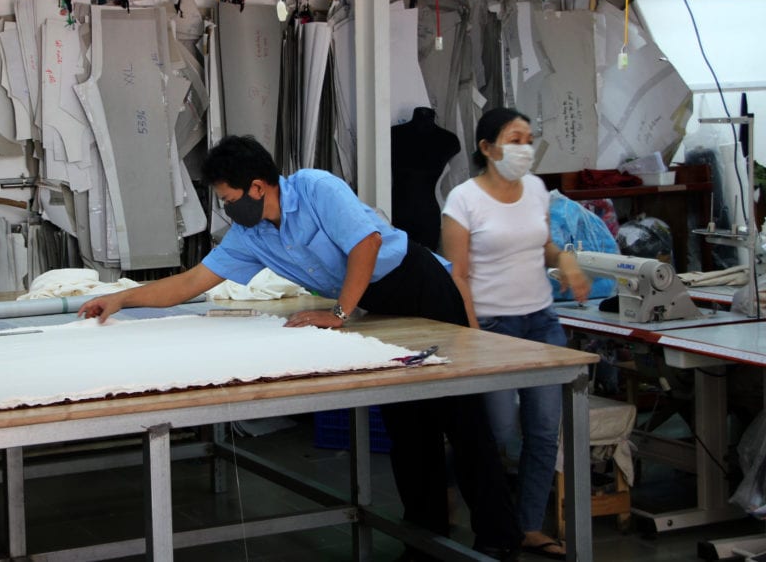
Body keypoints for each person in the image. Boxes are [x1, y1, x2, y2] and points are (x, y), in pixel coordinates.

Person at [79, 134, 522, 560]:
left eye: (231, 199)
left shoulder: (316, 187)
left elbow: (366, 244)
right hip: (375, 304)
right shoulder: (251, 236)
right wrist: (122, 297)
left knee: (461, 417)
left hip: (420, 287)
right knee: (406, 424)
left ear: (257, 186)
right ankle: (425, 540)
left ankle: (499, 537)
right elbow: (192, 282)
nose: (229, 209)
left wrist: (340, 315)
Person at [441, 108, 591, 561]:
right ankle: (445, 487)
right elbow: (457, 275)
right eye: (514, 138)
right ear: (487, 148)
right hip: (492, 326)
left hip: (541, 321)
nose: (525, 147)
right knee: (498, 431)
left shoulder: (537, 190)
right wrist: (473, 335)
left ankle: (525, 525)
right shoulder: (463, 200)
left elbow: (539, 241)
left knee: (545, 430)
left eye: (529, 138)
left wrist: (563, 259)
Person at [391, 106, 461, 250]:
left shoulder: (449, 140)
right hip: (396, 213)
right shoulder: (393, 134)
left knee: (427, 267)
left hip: (427, 216)